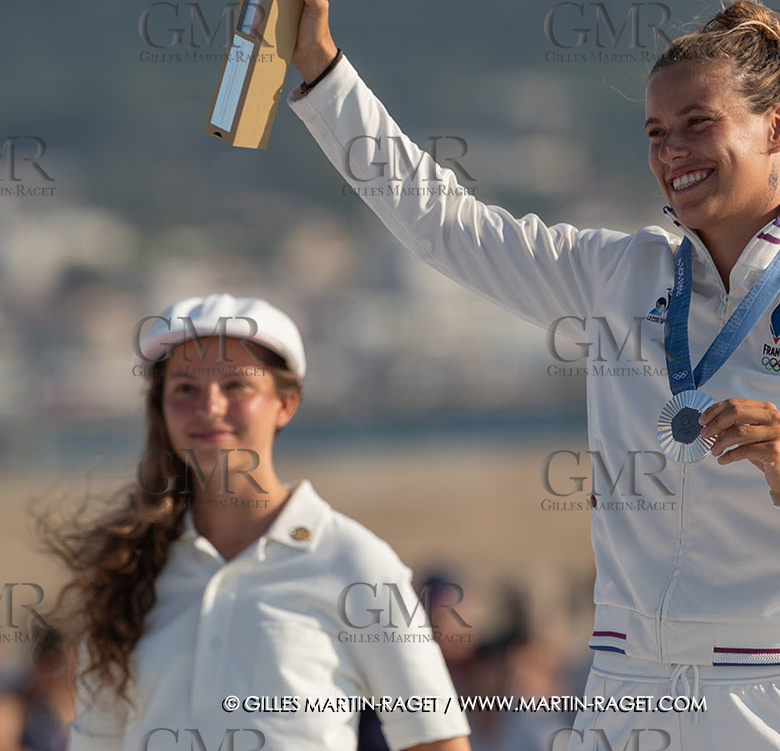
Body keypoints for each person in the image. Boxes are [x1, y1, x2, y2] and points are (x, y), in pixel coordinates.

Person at [265, 0, 780, 748]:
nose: (671, 151)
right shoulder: (618, 273)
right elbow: (444, 223)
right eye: (655, 132)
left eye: (697, 124)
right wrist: (322, 73)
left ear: (777, 128)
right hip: (628, 696)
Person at [43, 294, 470, 751]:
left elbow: (436, 741)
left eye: (235, 385)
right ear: (160, 407)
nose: (210, 406)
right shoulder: (124, 571)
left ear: (285, 404)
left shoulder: (354, 562)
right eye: (185, 387)